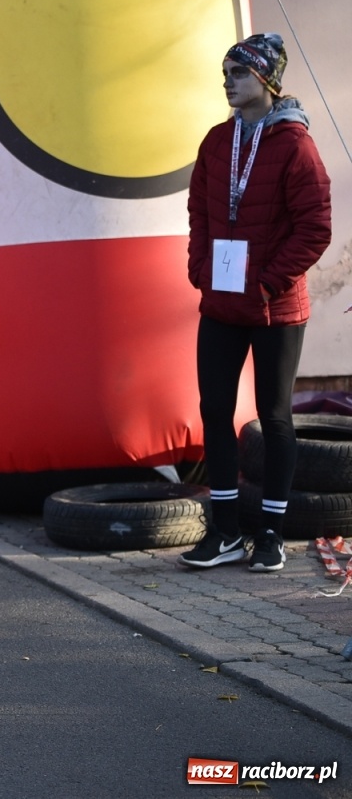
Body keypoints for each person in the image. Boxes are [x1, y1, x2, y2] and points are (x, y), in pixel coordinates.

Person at [181, 34, 331, 573]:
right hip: (220, 302)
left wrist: (267, 282)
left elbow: (315, 229)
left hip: (275, 308)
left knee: (275, 417)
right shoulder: (217, 141)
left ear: (266, 81)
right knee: (215, 411)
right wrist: (199, 268)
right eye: (225, 72)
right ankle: (224, 533)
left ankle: (269, 533)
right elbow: (198, 208)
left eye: (239, 73)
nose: (228, 82)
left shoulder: (295, 146)